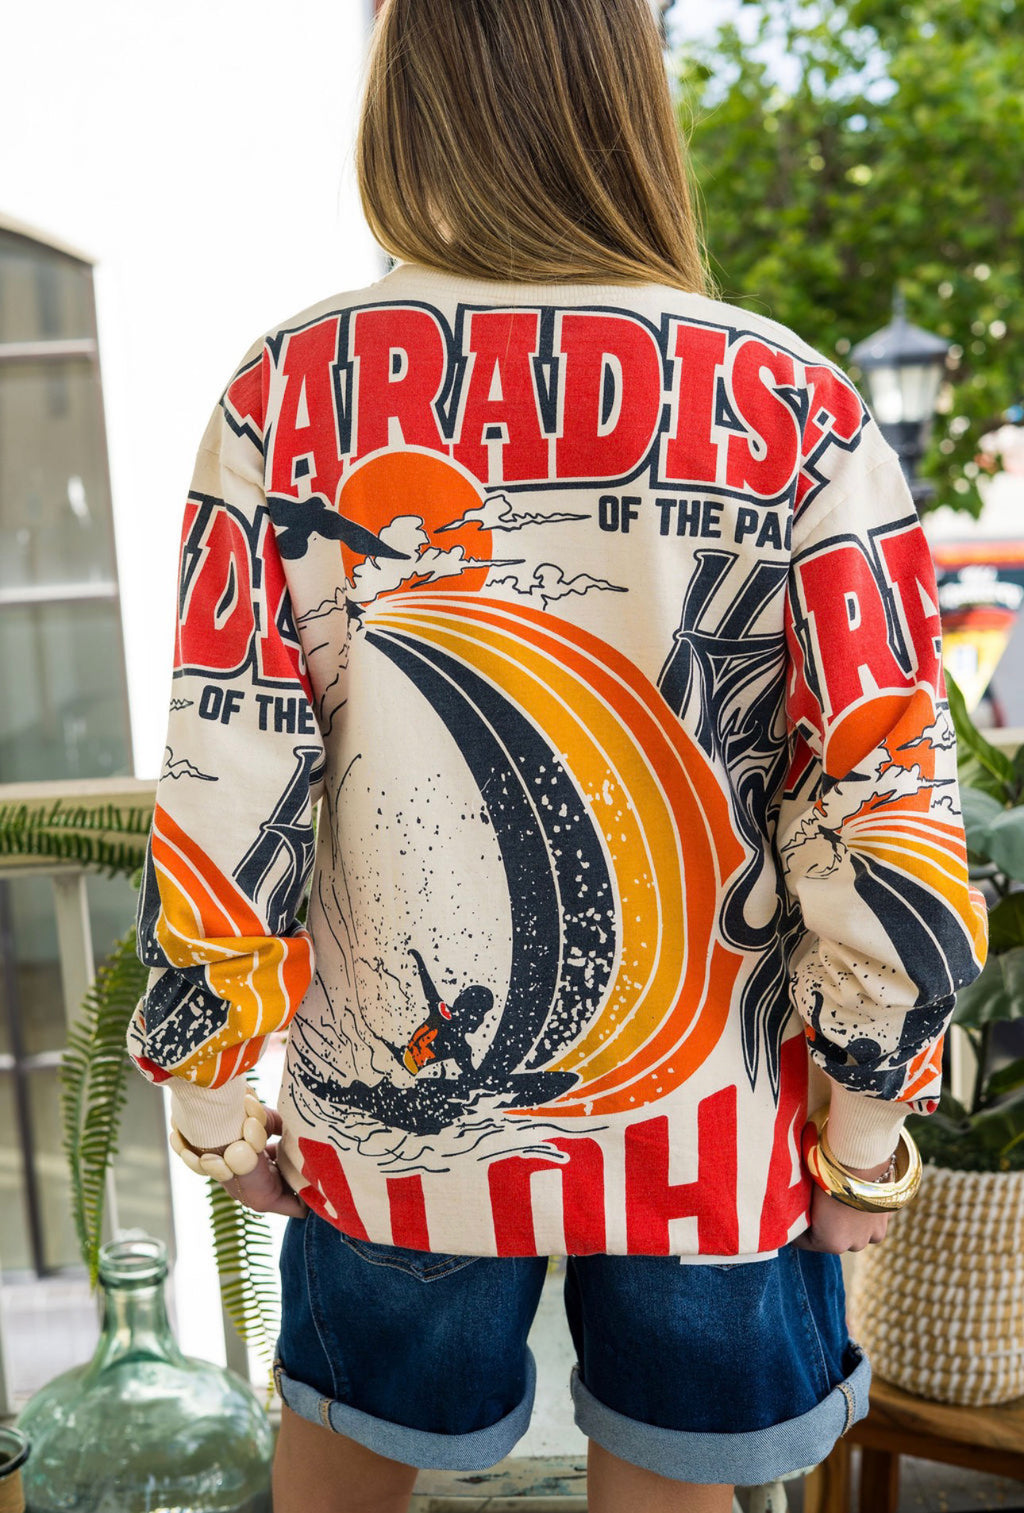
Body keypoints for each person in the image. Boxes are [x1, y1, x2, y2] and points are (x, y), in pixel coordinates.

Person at [129, 2, 987, 1509]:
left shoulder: (288, 393)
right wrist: (864, 1132)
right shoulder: (796, 404)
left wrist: (212, 1096)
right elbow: (877, 802)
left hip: (384, 1137)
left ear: (407, 93)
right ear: (630, 97)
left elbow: (233, 776)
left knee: (336, 1481)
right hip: (708, 1142)